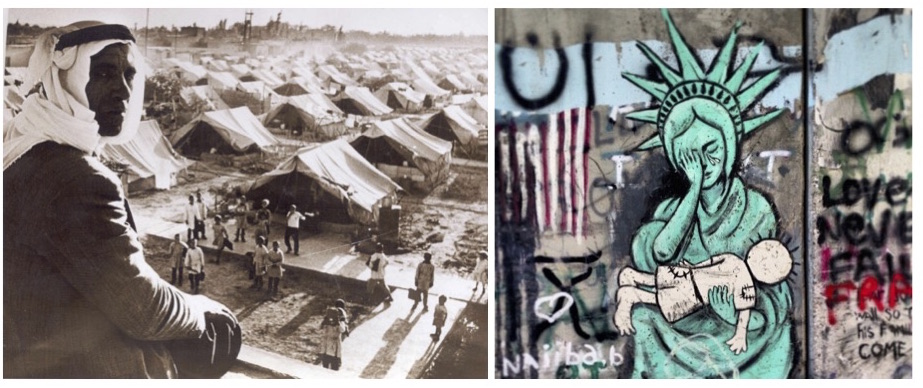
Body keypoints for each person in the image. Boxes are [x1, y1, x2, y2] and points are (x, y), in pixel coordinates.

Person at [3, 21, 239, 378]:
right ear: (63, 79)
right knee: (221, 332)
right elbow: (143, 310)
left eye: (130, 75)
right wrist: (201, 307)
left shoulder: (22, 145)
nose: (123, 91)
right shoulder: (78, 179)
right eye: (103, 73)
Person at [617, 10, 793, 378]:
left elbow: (769, 290)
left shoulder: (756, 209)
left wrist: (729, 309)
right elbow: (659, 253)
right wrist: (694, 189)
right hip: (677, 320)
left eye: (711, 149)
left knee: (779, 334)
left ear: (729, 146)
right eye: (688, 155)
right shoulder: (673, 208)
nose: (703, 162)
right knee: (646, 318)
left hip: (736, 331)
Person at [614, 239, 793, 354]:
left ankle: (634, 277)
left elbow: (709, 263)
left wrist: (691, 268)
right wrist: (740, 334)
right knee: (662, 299)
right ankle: (631, 295)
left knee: (660, 282)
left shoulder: (733, 259)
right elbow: (744, 312)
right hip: (695, 294)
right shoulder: (746, 287)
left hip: (691, 276)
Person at [318, 303, 347, 371]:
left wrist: (338, 323)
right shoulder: (326, 322)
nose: (331, 319)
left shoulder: (339, 322)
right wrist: (324, 323)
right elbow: (320, 328)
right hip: (326, 346)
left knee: (334, 367)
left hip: (334, 347)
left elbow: (342, 330)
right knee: (325, 366)